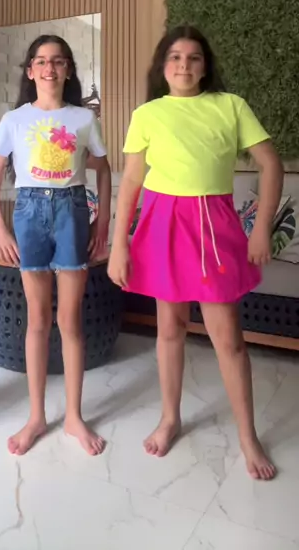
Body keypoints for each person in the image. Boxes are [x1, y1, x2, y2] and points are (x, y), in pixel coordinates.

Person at [108, 25, 283, 481]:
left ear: (205, 67)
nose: (183, 65)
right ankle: (170, 418)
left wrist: (261, 229)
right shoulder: (147, 113)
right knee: (170, 328)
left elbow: (271, 163)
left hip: (212, 225)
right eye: (175, 57)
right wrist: (119, 242)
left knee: (229, 339)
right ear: (162, 66)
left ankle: (247, 436)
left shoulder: (230, 105)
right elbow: (132, 180)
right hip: (161, 223)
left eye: (193, 58)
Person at [0, 35, 111, 456]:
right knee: (37, 320)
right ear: (30, 70)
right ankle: (36, 417)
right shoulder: (14, 120)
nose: (49, 68)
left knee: (69, 321)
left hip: (72, 211)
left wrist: (102, 223)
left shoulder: (83, 118)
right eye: (41, 61)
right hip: (28, 212)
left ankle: (73, 416)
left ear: (68, 69)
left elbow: (103, 169)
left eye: (58, 61)